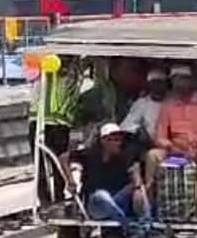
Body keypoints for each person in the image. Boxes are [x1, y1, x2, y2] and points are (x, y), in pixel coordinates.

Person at [145, 65, 197, 215]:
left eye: (183, 80)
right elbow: (159, 135)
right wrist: (170, 145)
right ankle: (150, 206)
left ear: (191, 81)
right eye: (176, 80)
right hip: (173, 149)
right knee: (152, 155)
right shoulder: (169, 104)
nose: (179, 84)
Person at [28, 57, 84, 206]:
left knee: (58, 163)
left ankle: (58, 197)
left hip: (59, 122)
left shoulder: (73, 71)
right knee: (40, 164)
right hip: (38, 119)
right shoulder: (43, 63)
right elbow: (30, 75)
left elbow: (71, 89)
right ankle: (45, 200)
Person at [73, 123, 149, 223]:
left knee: (138, 188)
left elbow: (135, 176)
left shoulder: (126, 156)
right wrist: (71, 181)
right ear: (104, 141)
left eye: (120, 140)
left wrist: (137, 187)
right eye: (116, 140)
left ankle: (146, 222)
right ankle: (126, 223)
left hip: (118, 201)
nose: (119, 143)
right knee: (101, 195)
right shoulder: (90, 154)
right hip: (97, 205)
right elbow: (63, 158)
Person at [120, 68, 166, 154]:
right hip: (146, 144)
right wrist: (138, 130)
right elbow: (127, 125)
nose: (157, 86)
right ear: (149, 84)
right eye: (154, 82)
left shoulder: (172, 102)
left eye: (160, 82)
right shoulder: (142, 102)